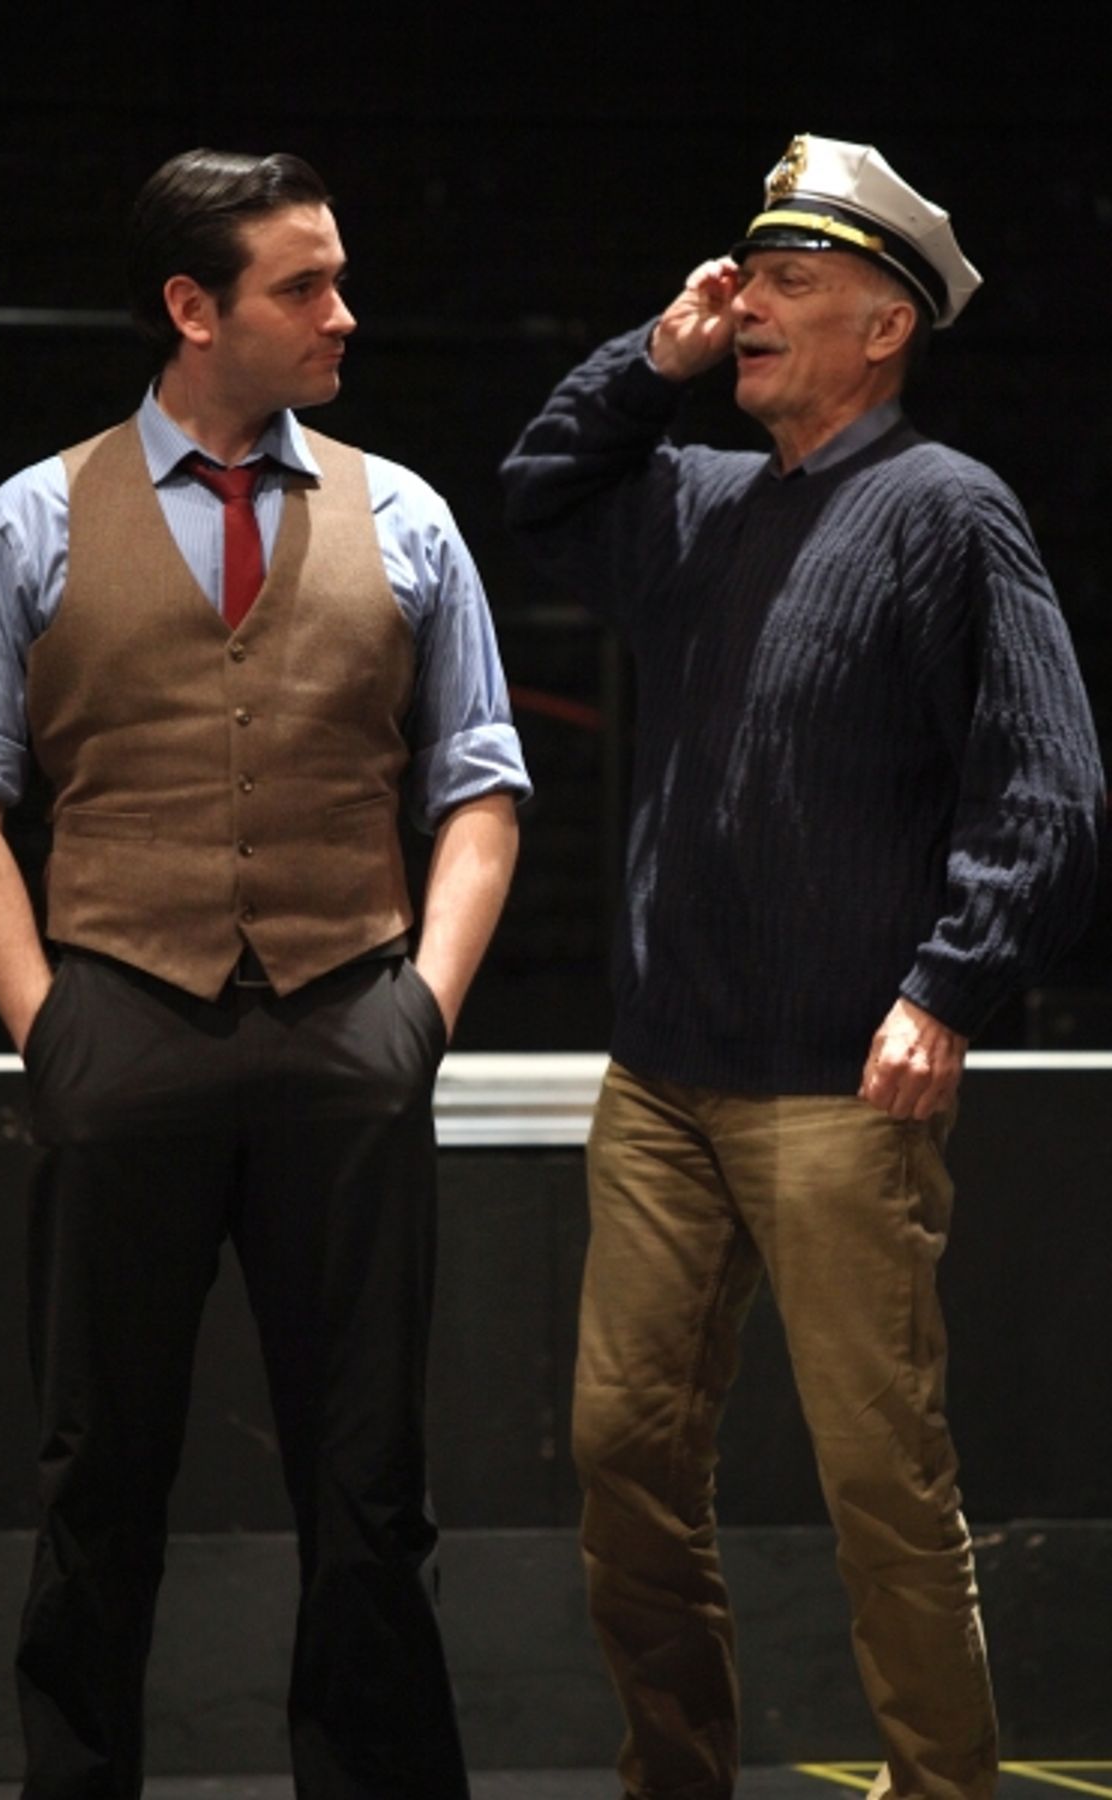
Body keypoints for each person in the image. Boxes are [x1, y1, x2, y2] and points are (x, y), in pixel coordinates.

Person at [0, 146, 530, 1800]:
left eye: (337, 275)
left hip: (352, 1023)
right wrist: (53, 1026)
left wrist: (420, 1015)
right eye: (303, 285)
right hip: (121, 1022)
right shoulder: (29, 522)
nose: (345, 310)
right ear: (194, 310)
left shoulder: (406, 519)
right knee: (97, 1474)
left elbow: (479, 789)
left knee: (370, 1481)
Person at [501, 133, 1103, 1800]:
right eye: (746, 276)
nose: (748, 304)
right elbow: (540, 492)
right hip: (665, 1080)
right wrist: (653, 360)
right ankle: (674, 1776)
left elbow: (1051, 781)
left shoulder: (946, 510)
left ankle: (944, 1789)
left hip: (844, 1082)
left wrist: (946, 991)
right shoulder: (693, 505)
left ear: (885, 328)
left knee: (879, 1480)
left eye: (791, 285)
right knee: (622, 1455)